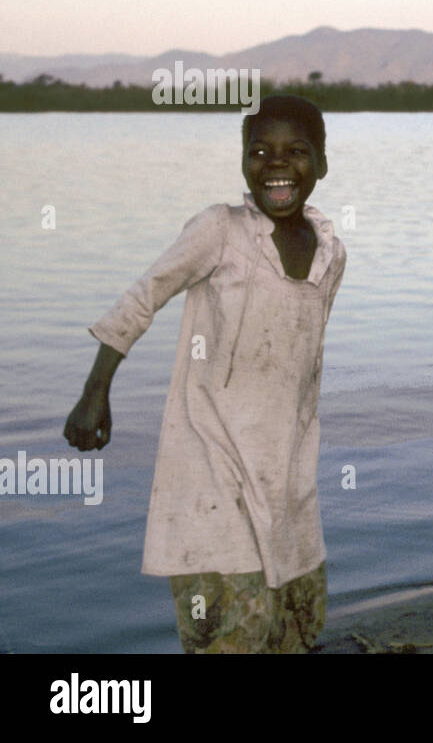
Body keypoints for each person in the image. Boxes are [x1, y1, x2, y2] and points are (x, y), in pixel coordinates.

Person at [64, 95, 346, 653]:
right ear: (243, 160)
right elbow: (145, 294)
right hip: (210, 467)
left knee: (297, 629)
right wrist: (94, 391)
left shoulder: (330, 253)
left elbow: (304, 368)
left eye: (297, 152)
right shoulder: (221, 230)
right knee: (231, 632)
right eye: (260, 151)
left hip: (287, 474)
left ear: (322, 162)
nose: (277, 165)